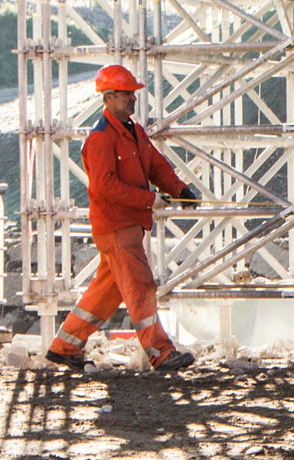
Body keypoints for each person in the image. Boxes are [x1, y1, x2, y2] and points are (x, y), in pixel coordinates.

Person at [45, 65, 198, 373]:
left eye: (133, 93)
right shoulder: (101, 138)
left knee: (106, 291)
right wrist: (150, 198)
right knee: (141, 286)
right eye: (128, 93)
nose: (133, 98)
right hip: (116, 227)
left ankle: (65, 346)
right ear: (109, 97)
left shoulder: (133, 131)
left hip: (126, 226)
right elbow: (104, 186)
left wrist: (180, 190)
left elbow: (156, 165)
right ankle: (161, 352)